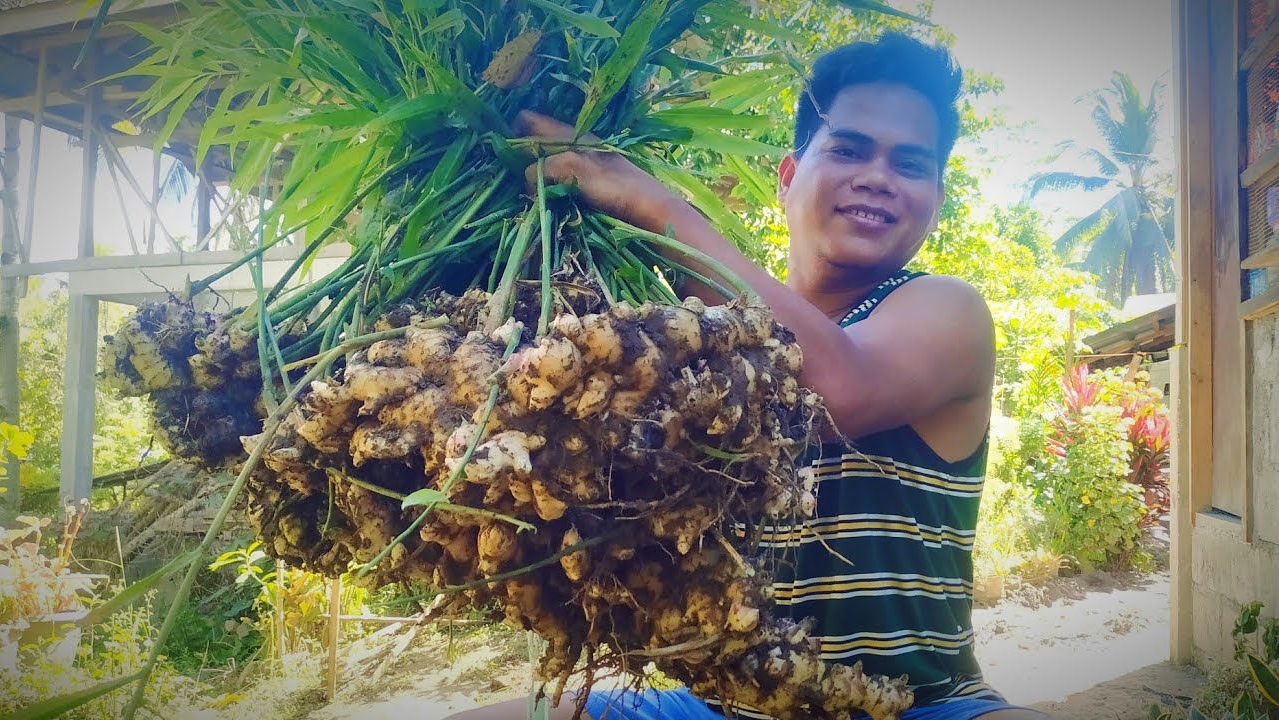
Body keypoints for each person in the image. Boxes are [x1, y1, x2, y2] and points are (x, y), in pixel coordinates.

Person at [448, 32, 1048, 720]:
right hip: (729, 705)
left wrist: (652, 205)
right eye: (849, 149)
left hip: (920, 705)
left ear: (935, 198)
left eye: (910, 163)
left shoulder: (946, 311)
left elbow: (834, 387)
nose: (878, 176)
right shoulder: (700, 324)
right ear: (789, 177)